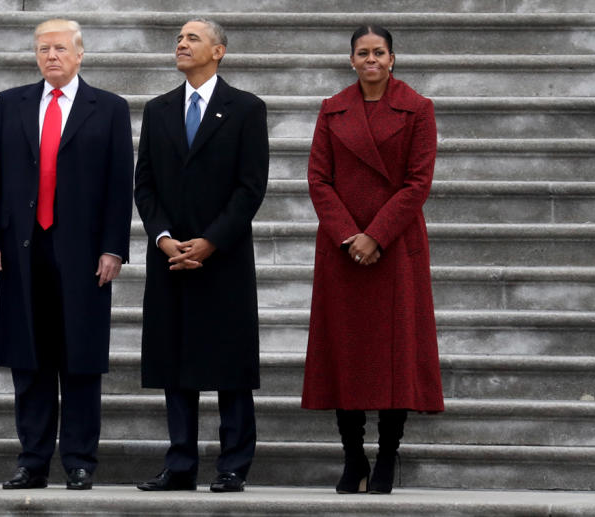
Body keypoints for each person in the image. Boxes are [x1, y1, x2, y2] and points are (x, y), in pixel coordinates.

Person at [0, 19, 133, 491]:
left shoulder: (109, 108)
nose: (51, 57)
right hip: (23, 249)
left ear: (80, 55)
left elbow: (118, 186)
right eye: (43, 49)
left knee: (80, 358)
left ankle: (80, 460)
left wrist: (113, 248)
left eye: (60, 49)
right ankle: (33, 460)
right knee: (30, 359)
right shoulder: (12, 103)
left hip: (83, 253)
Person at [300, 25, 445, 495]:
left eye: (378, 52)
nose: (371, 60)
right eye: (362, 53)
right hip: (343, 250)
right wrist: (349, 236)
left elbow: (417, 183)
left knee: (394, 356)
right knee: (346, 353)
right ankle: (352, 457)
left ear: (392, 58)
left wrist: (376, 235)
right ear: (351, 60)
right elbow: (318, 179)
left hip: (395, 246)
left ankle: (386, 457)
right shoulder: (332, 109)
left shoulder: (418, 108)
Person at [133, 18, 269, 493]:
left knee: (230, 364)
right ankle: (180, 464)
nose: (182, 44)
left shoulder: (246, 109)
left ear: (219, 51)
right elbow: (144, 184)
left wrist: (212, 241)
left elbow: (250, 187)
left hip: (224, 257)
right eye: (179, 38)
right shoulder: (158, 109)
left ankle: (233, 464)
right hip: (171, 257)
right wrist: (164, 237)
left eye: (193, 38)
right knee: (176, 361)